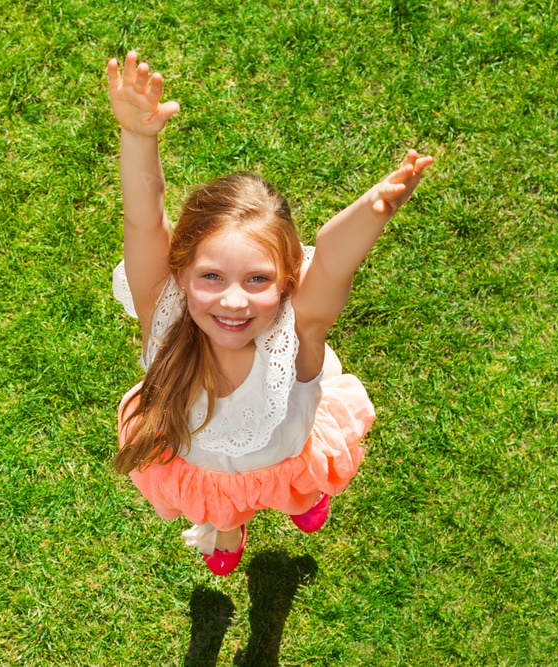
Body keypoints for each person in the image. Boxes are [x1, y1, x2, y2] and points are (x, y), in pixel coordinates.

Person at [107, 51, 433, 575]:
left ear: (286, 282)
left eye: (257, 280)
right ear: (180, 274)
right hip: (204, 471)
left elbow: (329, 260)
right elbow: (144, 222)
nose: (233, 301)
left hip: (285, 461)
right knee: (225, 506)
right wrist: (139, 138)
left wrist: (375, 211)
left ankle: (304, 497)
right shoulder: (162, 312)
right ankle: (229, 530)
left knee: (299, 491)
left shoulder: (295, 335)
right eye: (211, 276)